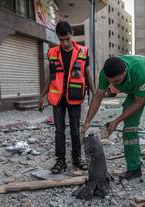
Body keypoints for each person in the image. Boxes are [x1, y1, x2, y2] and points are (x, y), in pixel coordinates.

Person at [82, 55, 145, 194]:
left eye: (116, 81)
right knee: (129, 129)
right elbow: (98, 97)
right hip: (134, 89)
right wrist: (87, 121)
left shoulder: (139, 71)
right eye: (110, 82)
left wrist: (116, 120)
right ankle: (134, 170)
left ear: (124, 72)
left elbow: (139, 102)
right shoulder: (105, 74)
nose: (113, 85)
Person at [39, 21, 95, 174]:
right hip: (57, 98)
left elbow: (87, 73)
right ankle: (61, 160)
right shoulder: (52, 53)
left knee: (75, 130)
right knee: (59, 130)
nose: (64, 43)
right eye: (61, 39)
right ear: (58, 37)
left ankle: (77, 158)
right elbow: (50, 76)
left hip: (75, 97)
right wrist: (41, 95)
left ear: (72, 35)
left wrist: (94, 93)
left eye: (67, 39)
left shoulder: (83, 51)